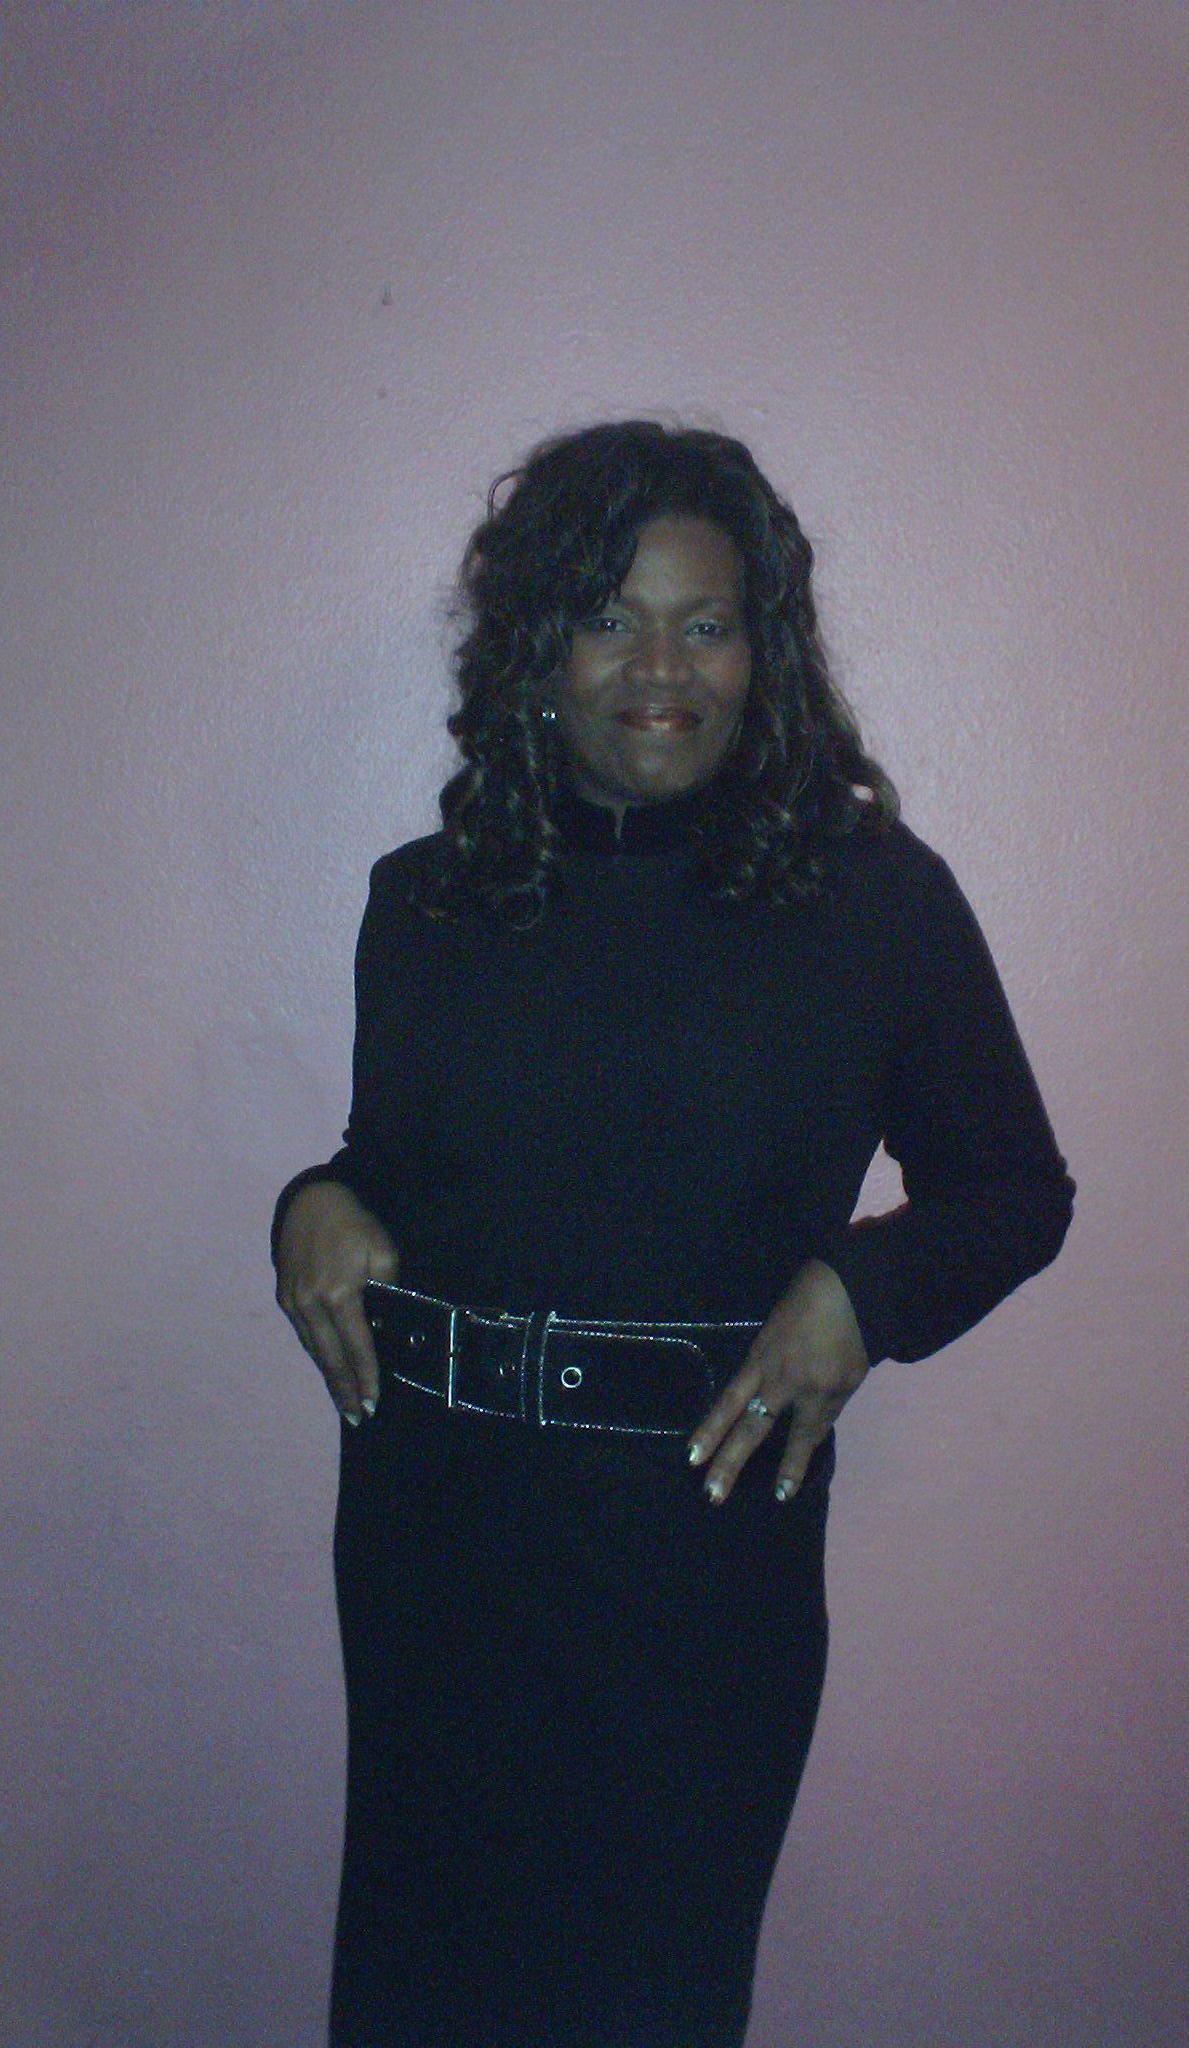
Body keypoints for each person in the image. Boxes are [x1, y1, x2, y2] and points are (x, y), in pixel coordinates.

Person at [272, 419, 1075, 2048]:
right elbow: (394, 1169)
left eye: (705, 625)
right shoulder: (426, 900)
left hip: (699, 1559)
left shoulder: (870, 900)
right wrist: (316, 1205)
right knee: (419, 2003)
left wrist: (864, 1289)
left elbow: (1013, 1188)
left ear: (761, 653)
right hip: (436, 1544)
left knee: (648, 2000)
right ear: (538, 654)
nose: (660, 670)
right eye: (610, 620)